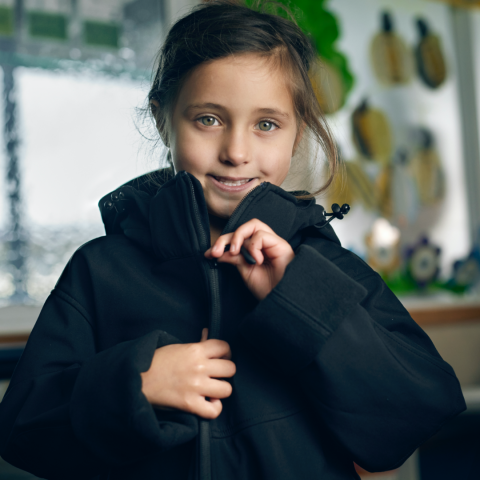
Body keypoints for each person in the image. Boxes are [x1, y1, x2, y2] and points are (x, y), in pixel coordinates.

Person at [0, 1, 466, 479]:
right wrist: (135, 384)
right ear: (164, 119)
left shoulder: (327, 265)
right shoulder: (99, 270)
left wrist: (302, 299)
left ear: (296, 132)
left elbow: (419, 413)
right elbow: (20, 431)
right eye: (208, 119)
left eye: (266, 124)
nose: (237, 152)